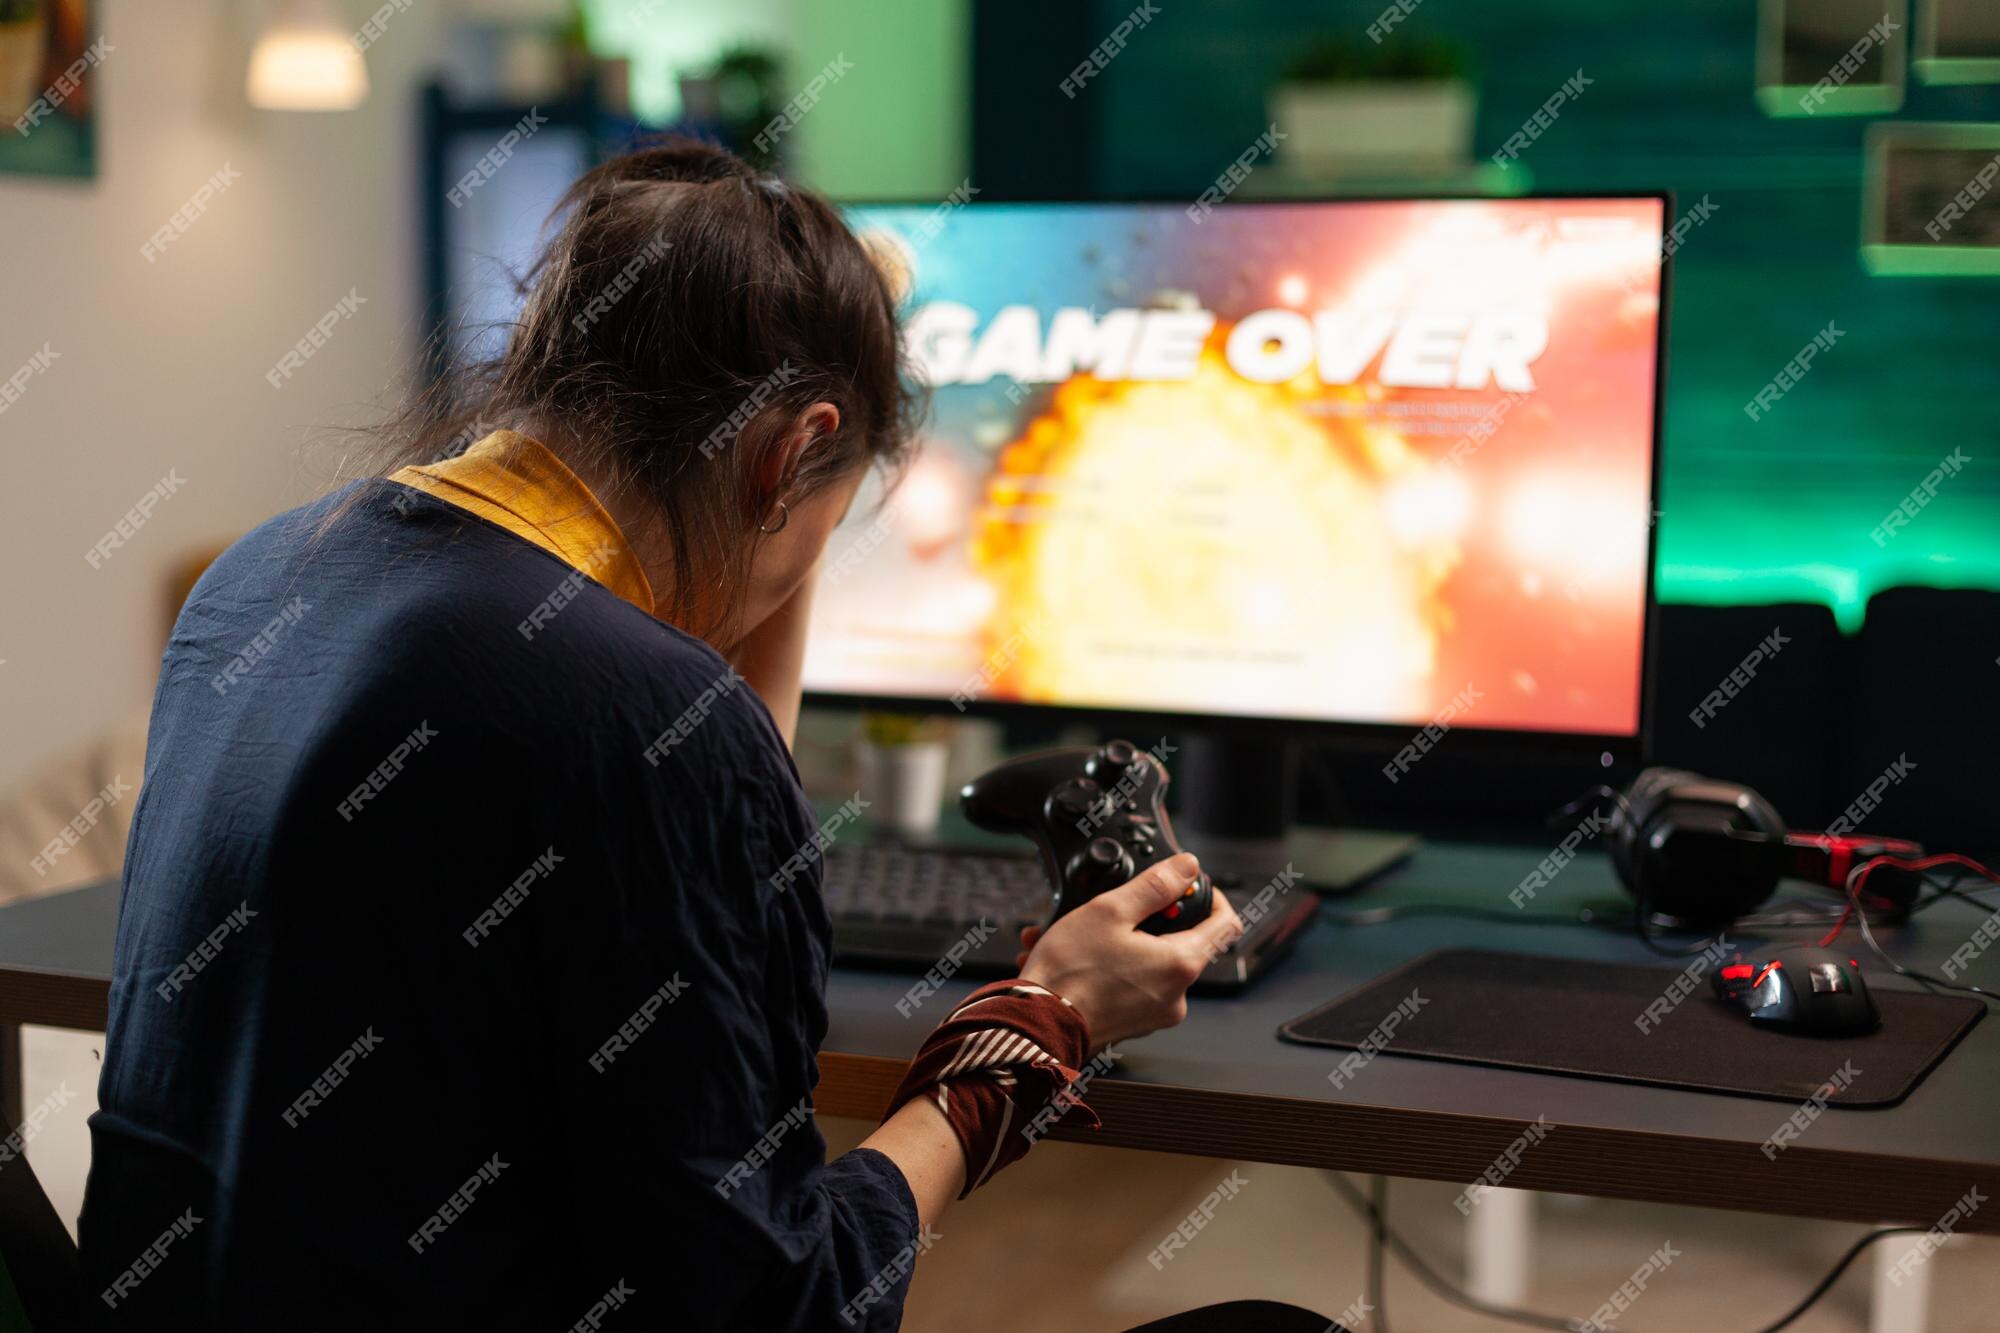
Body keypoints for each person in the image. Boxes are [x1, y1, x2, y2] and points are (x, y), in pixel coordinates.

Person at [78, 140, 1329, 1332]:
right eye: (819, 531)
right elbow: (782, 1306)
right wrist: (1040, 1019)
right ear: (794, 454)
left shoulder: (259, 579)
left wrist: (781, 523)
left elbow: (686, 798)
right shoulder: (646, 725)